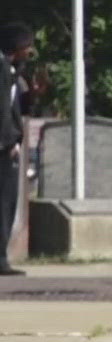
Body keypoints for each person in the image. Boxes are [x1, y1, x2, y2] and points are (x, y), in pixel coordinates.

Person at [0, 22, 42, 277]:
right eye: (28, 47)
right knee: (4, 202)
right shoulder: (3, 71)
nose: (30, 53)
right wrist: (8, 143)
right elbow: (2, 110)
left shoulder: (10, 71)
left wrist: (32, 97)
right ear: (17, 48)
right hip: (4, 149)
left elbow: (13, 107)